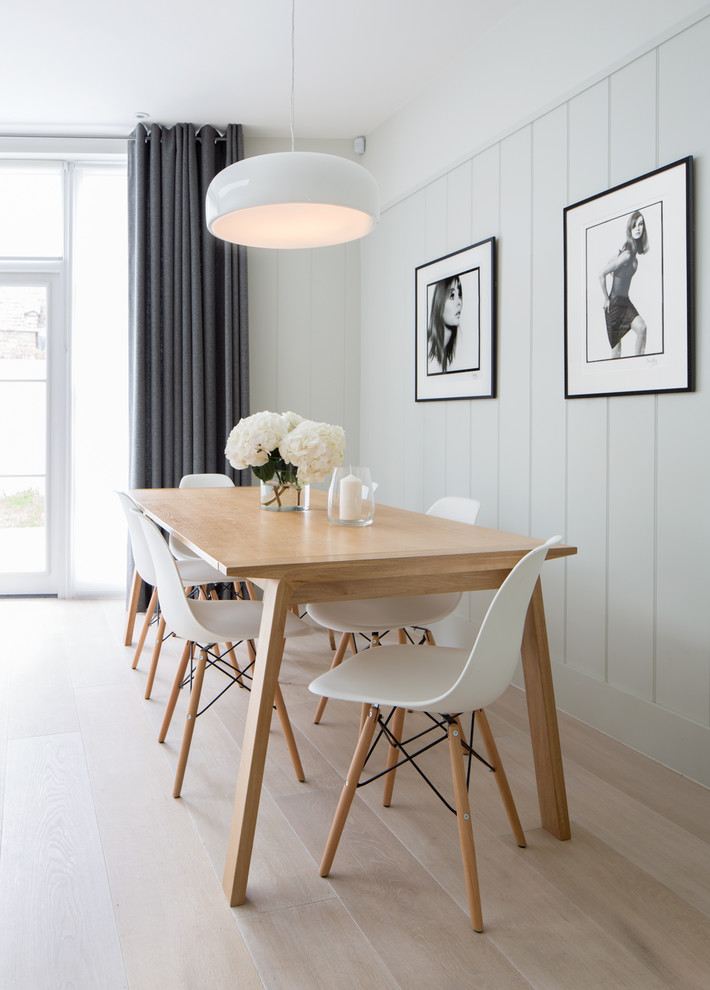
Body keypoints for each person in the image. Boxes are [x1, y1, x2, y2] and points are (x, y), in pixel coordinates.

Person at [599, 211, 649, 357]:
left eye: (640, 224)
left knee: (642, 328)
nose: (638, 229)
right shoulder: (627, 255)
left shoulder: (632, 255)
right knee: (616, 353)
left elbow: (611, 262)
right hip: (614, 305)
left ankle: (638, 364)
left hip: (625, 302)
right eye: (634, 226)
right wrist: (606, 299)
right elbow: (601, 274)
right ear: (630, 229)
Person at [427, 275, 462, 372]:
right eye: (452, 296)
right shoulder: (428, 355)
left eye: (459, 295)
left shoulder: (447, 356)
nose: (459, 301)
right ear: (439, 302)